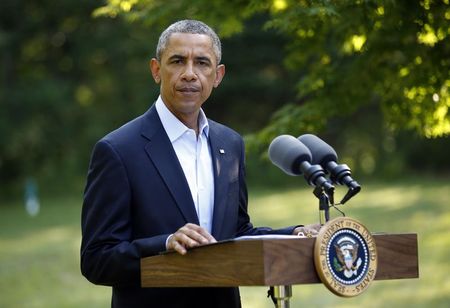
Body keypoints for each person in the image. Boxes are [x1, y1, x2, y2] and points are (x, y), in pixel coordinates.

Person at [80, 19, 320, 308]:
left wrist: (295, 234)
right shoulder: (118, 150)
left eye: (202, 63)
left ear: (217, 75)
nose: (190, 74)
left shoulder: (230, 143)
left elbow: (236, 233)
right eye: (178, 61)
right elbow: (97, 259)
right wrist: (165, 244)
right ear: (156, 70)